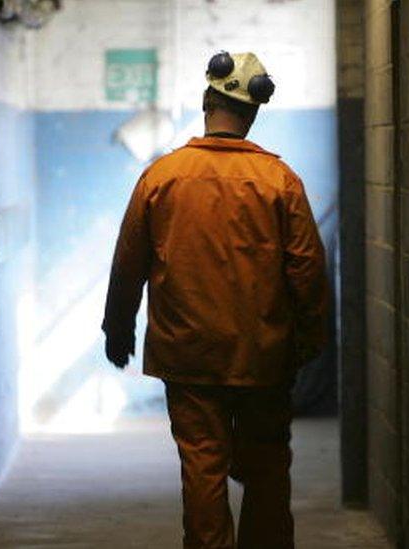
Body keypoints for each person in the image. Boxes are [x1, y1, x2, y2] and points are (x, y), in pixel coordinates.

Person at [101, 51, 328, 549]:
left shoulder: (162, 178)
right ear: (251, 115)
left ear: (207, 101)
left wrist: (118, 333)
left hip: (189, 357)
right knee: (267, 468)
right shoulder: (280, 182)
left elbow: (127, 266)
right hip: (264, 356)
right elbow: (308, 270)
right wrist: (310, 340)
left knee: (202, 469)